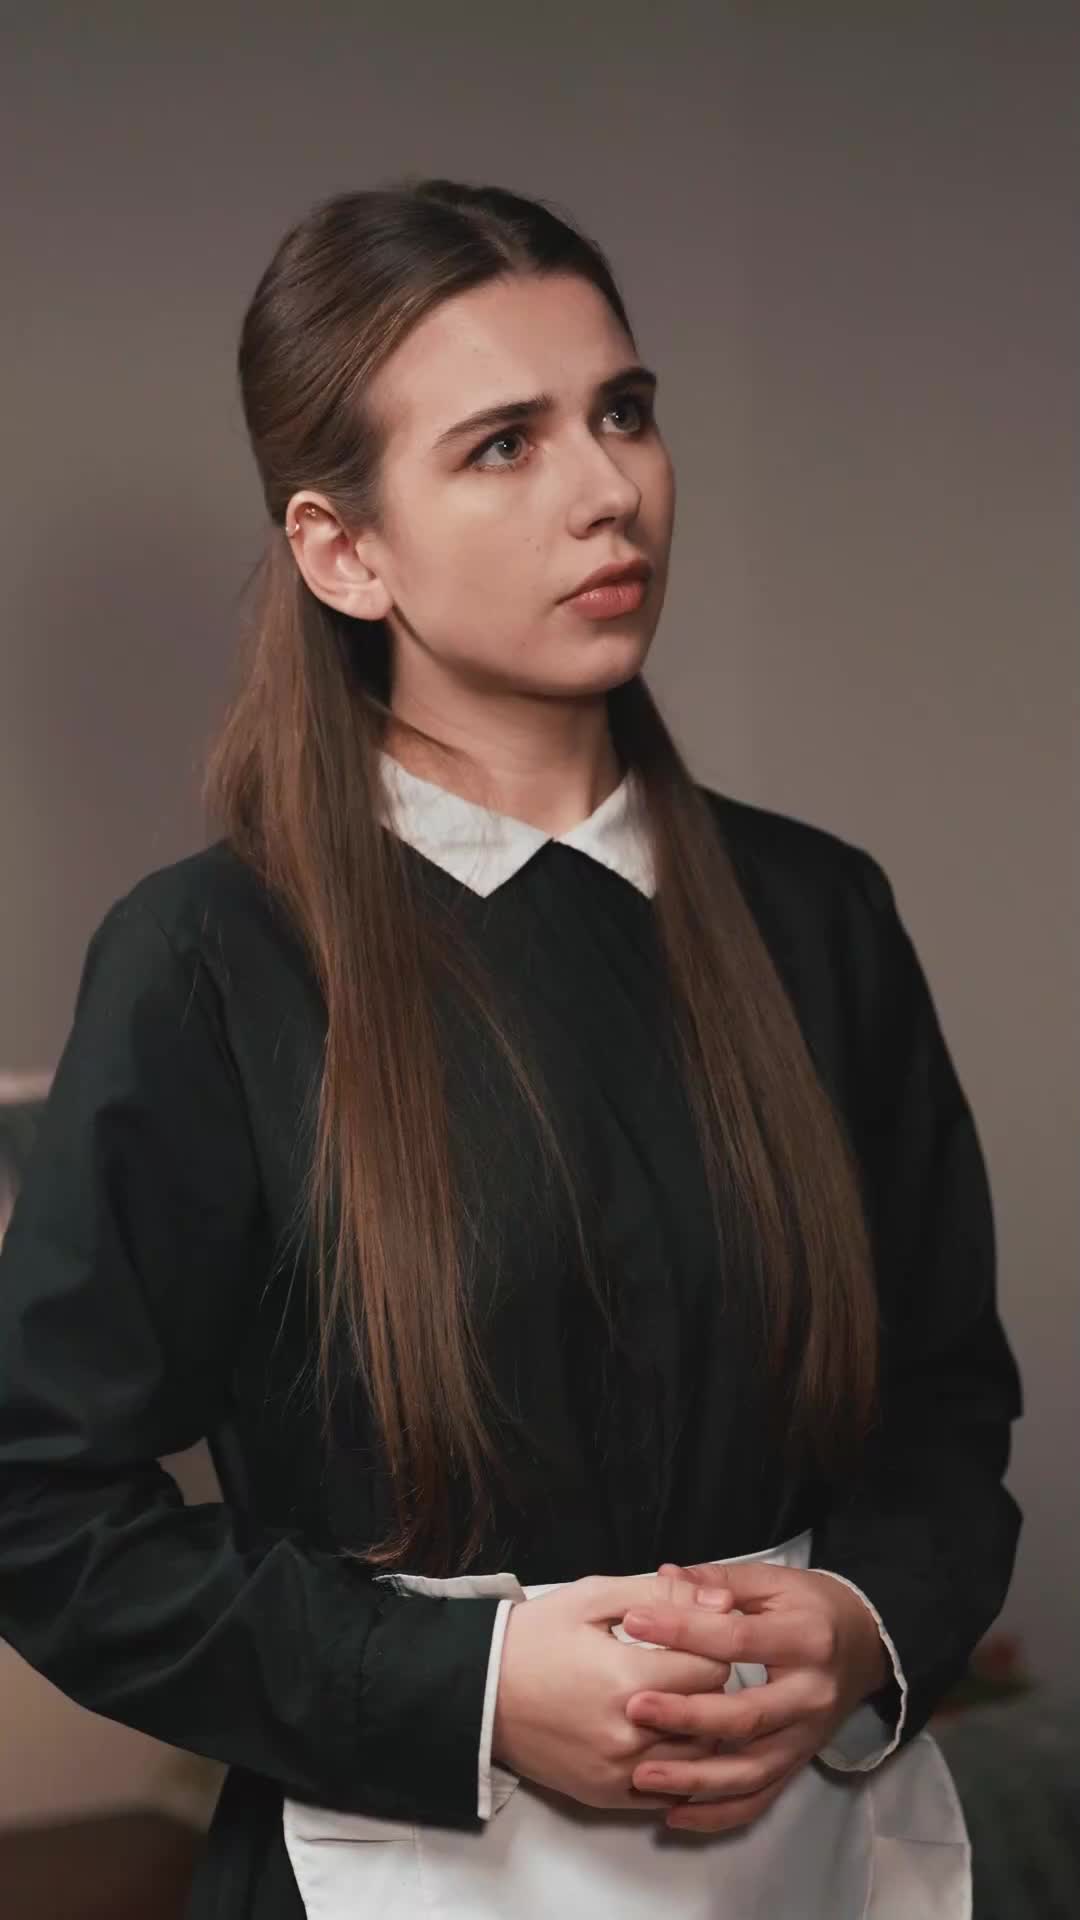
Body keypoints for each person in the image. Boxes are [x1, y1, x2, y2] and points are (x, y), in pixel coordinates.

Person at [0, 178, 1023, 1919]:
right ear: (345, 552)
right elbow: (42, 1510)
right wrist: (464, 1691)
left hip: (818, 1855)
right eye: (502, 444)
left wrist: (859, 1625)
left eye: (623, 411)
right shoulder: (207, 966)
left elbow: (944, 1406)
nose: (608, 488)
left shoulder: (820, 914)